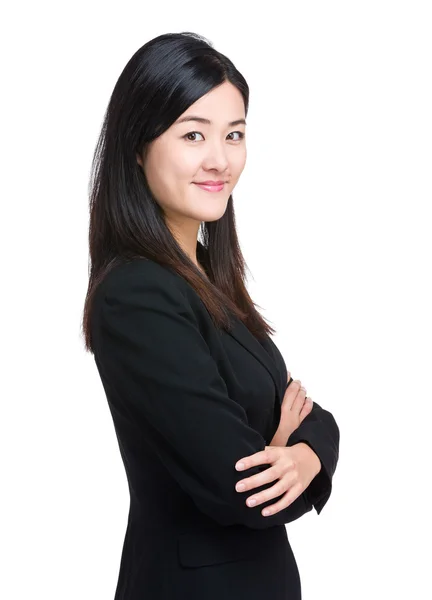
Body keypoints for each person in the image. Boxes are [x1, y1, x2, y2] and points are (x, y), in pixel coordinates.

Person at [82, 31, 340, 600]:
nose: (219, 159)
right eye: (193, 134)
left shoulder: (204, 278)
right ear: (138, 146)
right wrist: (285, 445)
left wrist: (302, 449)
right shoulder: (137, 295)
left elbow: (316, 417)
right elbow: (242, 488)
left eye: (235, 134)